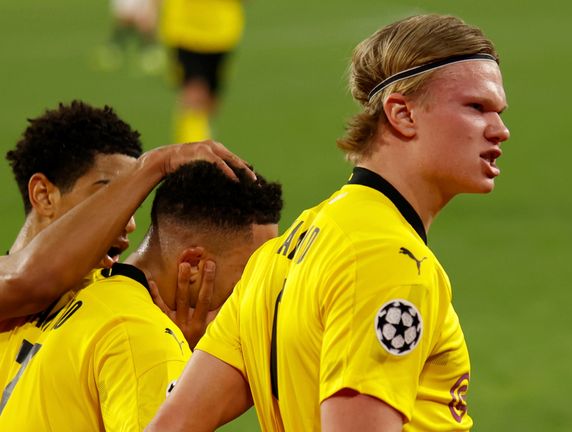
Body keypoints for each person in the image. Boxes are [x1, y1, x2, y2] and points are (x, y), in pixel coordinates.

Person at [148, 13, 509, 432]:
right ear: (402, 114)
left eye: (498, 111)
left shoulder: (287, 248)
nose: (500, 130)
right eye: (476, 107)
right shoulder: (388, 260)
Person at [0, 101, 253, 402]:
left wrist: (164, 354)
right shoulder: (27, 287)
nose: (129, 222)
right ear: (43, 195)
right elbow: (30, 278)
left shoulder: (98, 310)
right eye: (108, 196)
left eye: (130, 202)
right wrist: (157, 164)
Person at [0, 160, 282, 430]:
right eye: (250, 275)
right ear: (194, 265)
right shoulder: (144, 338)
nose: (256, 291)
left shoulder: (73, 291)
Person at [159, 0, 245, 143]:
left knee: (210, 103)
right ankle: (193, 157)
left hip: (222, 33)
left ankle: (203, 143)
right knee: (194, 93)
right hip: (185, 31)